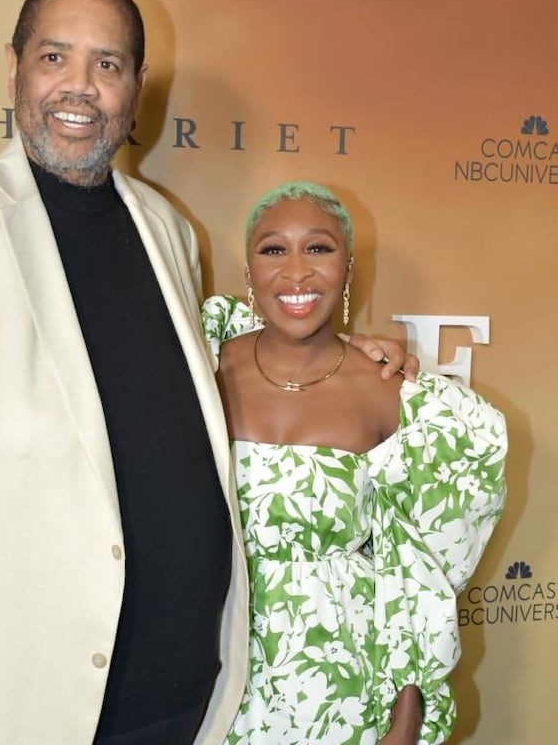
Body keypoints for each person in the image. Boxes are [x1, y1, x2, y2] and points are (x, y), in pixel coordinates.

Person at [0, 0, 415, 745]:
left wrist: (352, 351)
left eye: (106, 64)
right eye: (54, 58)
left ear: (136, 87)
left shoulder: (167, 229)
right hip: (6, 694)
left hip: (182, 696)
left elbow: (199, 368)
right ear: (13, 67)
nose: (79, 87)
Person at [201, 181, 506, 745]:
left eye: (318, 248)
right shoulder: (196, 361)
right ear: (248, 270)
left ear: (348, 268)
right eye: (273, 249)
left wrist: (408, 705)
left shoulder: (396, 394)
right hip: (207, 676)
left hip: (343, 689)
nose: (297, 272)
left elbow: (416, 572)